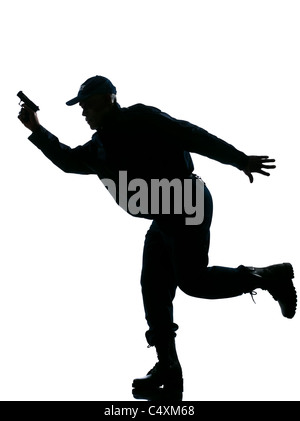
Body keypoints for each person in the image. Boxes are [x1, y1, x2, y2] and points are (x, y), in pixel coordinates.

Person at [18, 76, 296, 395]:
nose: (84, 113)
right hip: (164, 216)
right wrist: (36, 130)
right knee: (153, 288)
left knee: (192, 281)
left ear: (109, 99)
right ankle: (168, 368)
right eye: (81, 107)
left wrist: (238, 159)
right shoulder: (100, 147)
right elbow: (68, 161)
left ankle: (269, 277)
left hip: (185, 199)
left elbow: (190, 134)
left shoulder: (139, 118)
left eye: (88, 105)